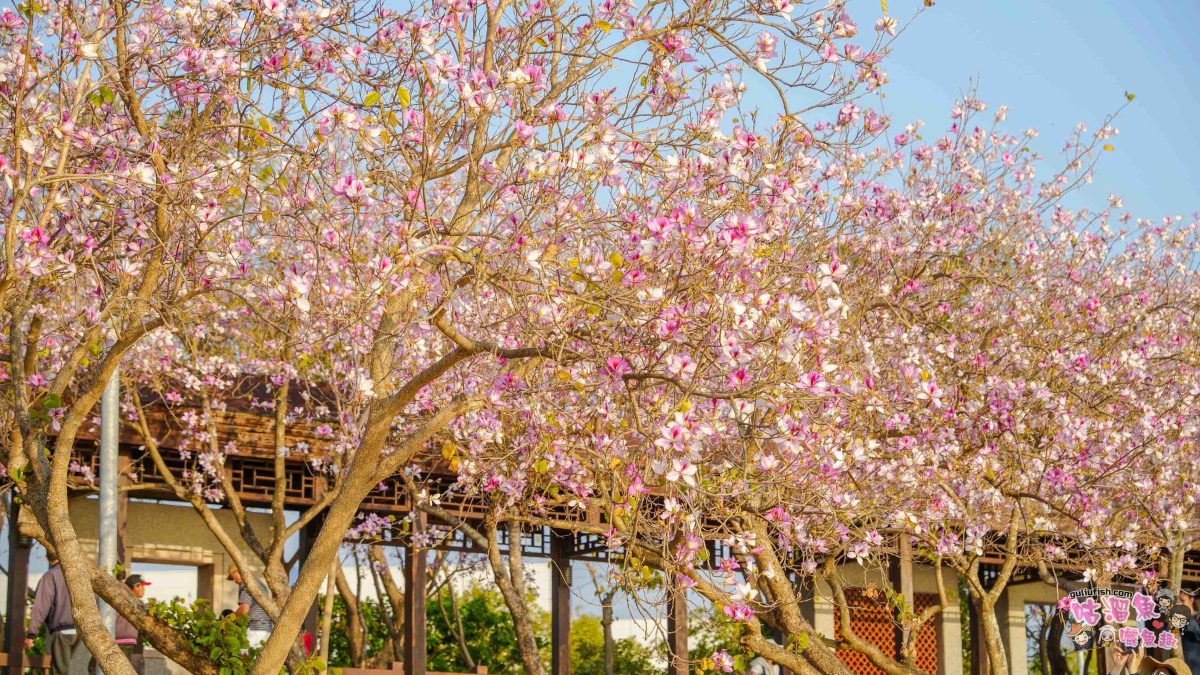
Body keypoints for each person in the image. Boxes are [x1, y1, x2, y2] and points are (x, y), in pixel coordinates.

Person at [26, 551, 83, 675]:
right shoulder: (79, 574)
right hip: (81, 631)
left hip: (62, 630)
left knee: (60, 671)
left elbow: (41, 605)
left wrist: (32, 633)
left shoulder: (51, 575)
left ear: (47, 558)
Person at [88, 574, 150, 674]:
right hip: (121, 642)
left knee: (95, 668)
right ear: (135, 586)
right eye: (142, 586)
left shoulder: (126, 598)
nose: (144, 589)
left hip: (124, 642)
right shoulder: (128, 600)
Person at [228, 567, 274, 649]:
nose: (234, 581)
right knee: (258, 656)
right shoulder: (259, 583)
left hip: (255, 628)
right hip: (267, 628)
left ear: (239, 571)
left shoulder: (246, 584)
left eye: (234, 577)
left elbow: (244, 610)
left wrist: (230, 618)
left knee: (244, 653)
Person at [1181, 588, 1200, 675]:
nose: (1180, 605)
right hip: (1180, 664)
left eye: (1183, 601)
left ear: (1191, 600)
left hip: (1196, 665)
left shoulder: (1198, 618)